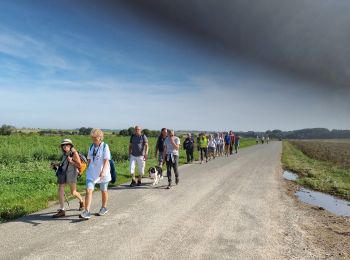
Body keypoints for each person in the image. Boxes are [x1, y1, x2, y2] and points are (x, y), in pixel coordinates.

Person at [80, 129, 111, 219]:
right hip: (92, 173)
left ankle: (104, 207)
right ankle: (87, 211)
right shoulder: (91, 147)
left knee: (103, 190)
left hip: (103, 173)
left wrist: (103, 171)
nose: (93, 140)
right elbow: (89, 159)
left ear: (100, 138)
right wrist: (85, 169)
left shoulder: (105, 146)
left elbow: (106, 161)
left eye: (95, 138)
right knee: (89, 190)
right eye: (92, 138)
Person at [53, 139, 84, 218]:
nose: (65, 147)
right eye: (63, 145)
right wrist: (57, 165)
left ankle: (81, 201)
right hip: (63, 174)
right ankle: (62, 210)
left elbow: (79, 165)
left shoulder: (74, 153)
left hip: (72, 174)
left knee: (73, 192)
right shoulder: (64, 154)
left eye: (67, 145)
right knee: (60, 189)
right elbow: (64, 164)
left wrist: (72, 162)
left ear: (70, 145)